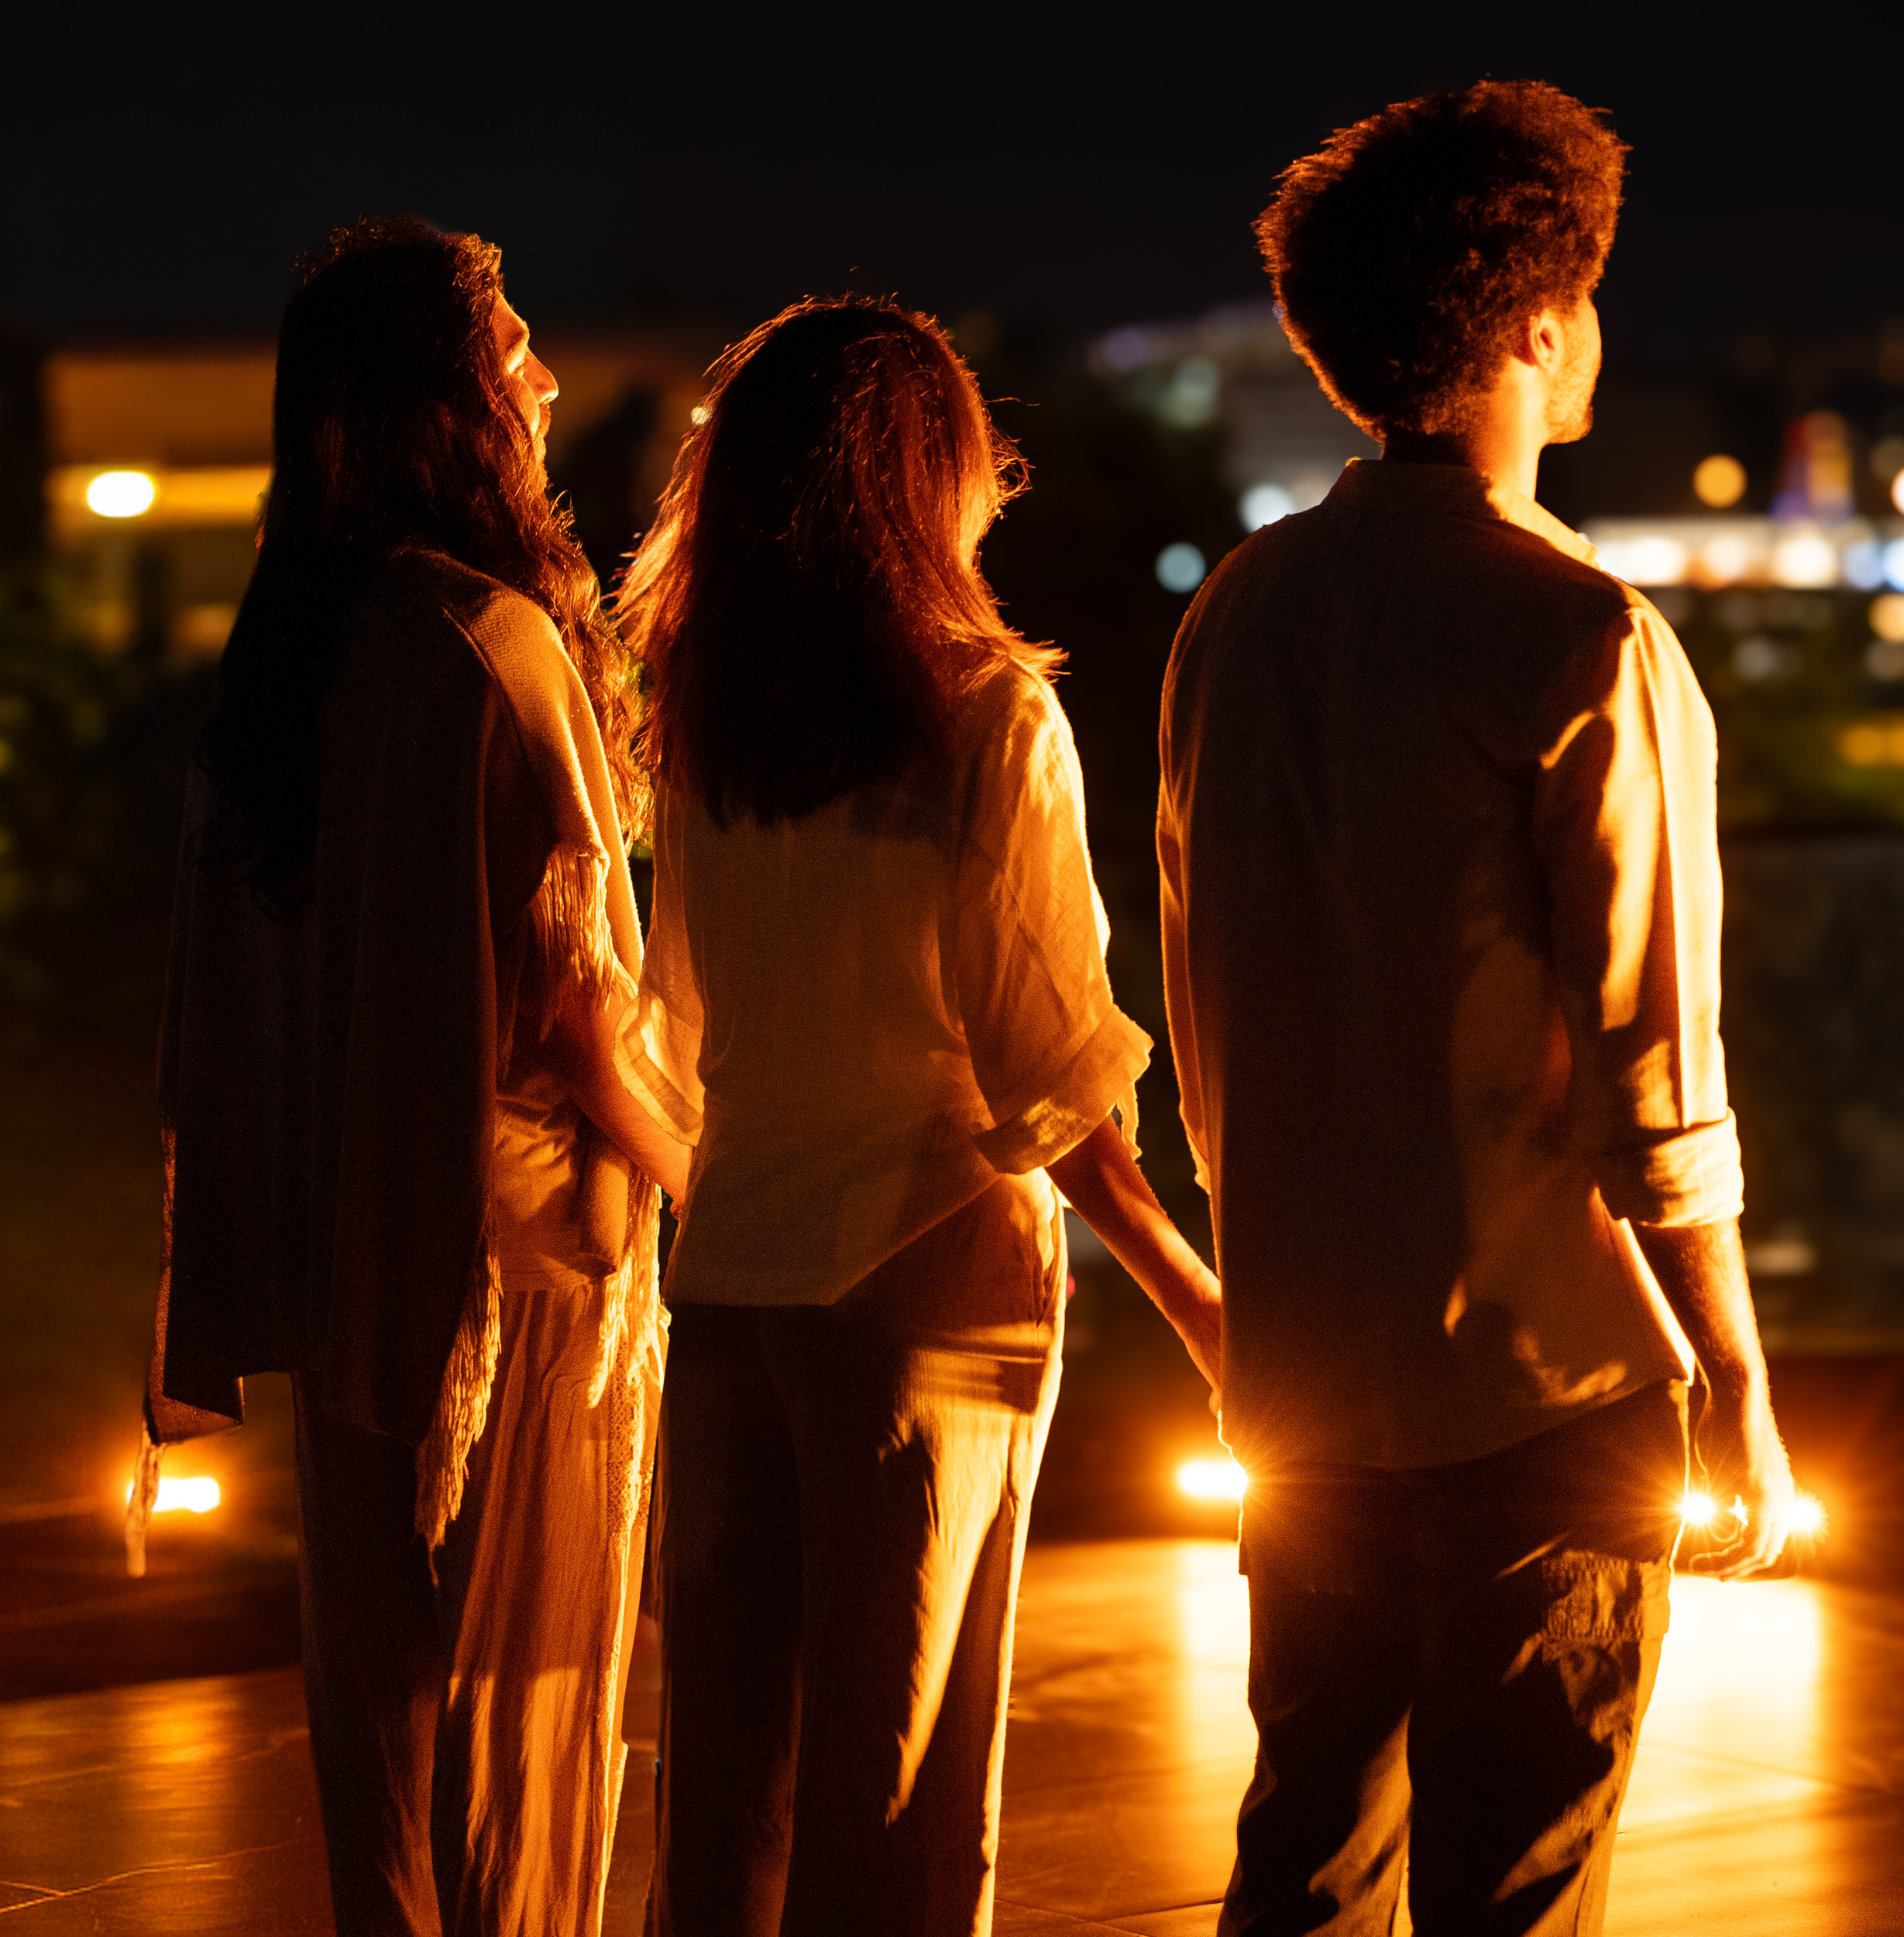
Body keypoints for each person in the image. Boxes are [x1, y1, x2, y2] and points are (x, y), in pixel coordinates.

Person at [1156, 83, 1796, 1935]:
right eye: (1586, 297)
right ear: (1534, 321)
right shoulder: (1578, 631)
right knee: (1515, 1882)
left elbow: (1206, 998)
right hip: (1540, 1378)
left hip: (1301, 1357)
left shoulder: (1239, 616)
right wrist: (1733, 1388)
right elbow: (1649, 1068)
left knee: (1304, 1854)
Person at [614, 296, 1222, 1937]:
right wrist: (1196, 1298)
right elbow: (1049, 1067)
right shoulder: (983, 714)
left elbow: (674, 1023)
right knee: (901, 1783)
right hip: (918, 1276)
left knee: (724, 1785)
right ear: (921, 480)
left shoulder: (701, 727)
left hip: (724, 1274)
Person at [134, 218, 691, 1935]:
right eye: (505, 342)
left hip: (342, 1235)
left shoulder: (286, 658)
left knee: (370, 1687)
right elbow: (581, 996)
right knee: (526, 1691)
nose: (538, 371)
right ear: (442, 403)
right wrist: (711, 1174)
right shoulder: (488, 643)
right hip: (515, 1258)